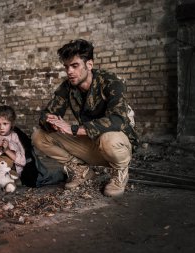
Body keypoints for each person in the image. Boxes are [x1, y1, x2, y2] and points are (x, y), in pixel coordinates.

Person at [32, 39, 139, 197]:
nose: (69, 72)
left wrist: (73, 129)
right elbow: (46, 114)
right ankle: (82, 171)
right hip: (91, 145)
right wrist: (52, 122)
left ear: (89, 64)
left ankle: (119, 173)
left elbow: (118, 120)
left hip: (117, 145)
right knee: (39, 136)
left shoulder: (110, 81)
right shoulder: (67, 87)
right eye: (67, 67)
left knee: (108, 138)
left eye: (75, 66)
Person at [0, 105, 65, 188]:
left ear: (12, 124)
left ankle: (62, 174)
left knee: (43, 177)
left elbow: (23, 161)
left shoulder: (15, 136)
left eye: (5, 124)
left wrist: (7, 150)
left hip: (13, 173)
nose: (1, 127)